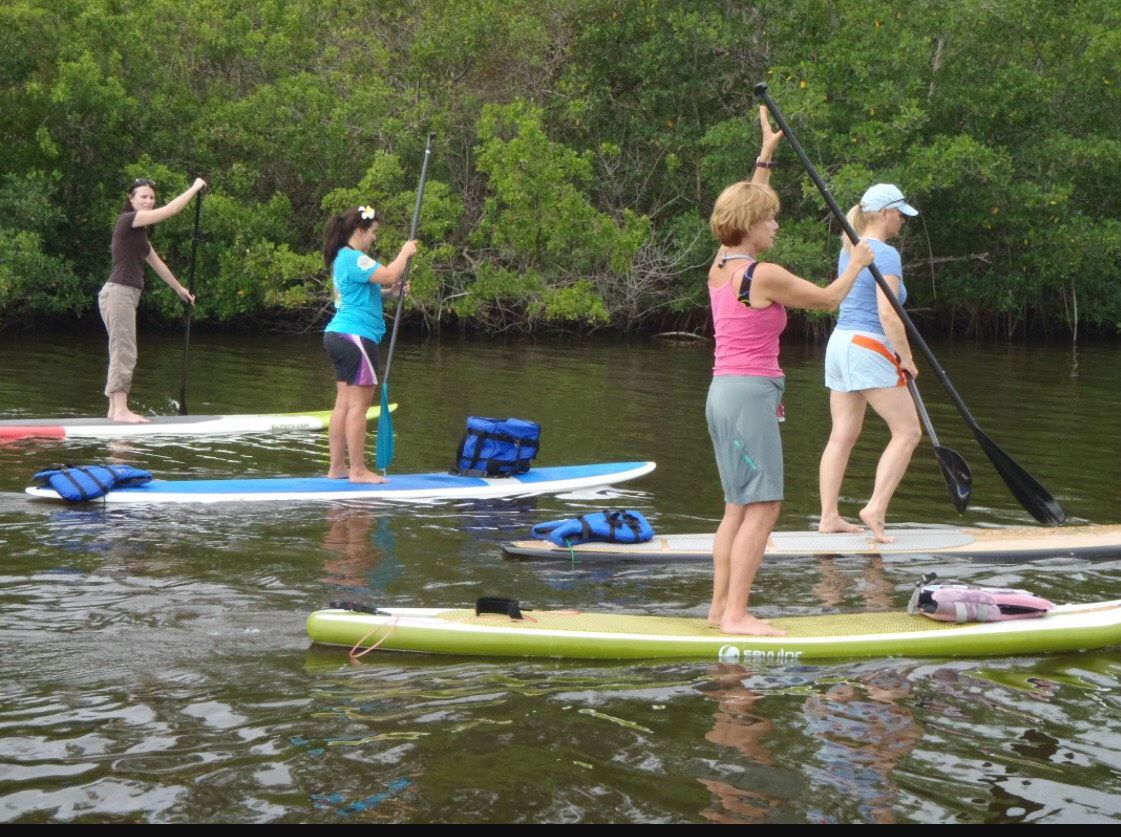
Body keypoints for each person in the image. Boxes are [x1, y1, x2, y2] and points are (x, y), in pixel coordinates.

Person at [705, 107, 875, 637]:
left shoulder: (720, 264)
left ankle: (718, 611)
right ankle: (736, 615)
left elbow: (743, 205)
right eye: (771, 218)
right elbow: (826, 301)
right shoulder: (765, 274)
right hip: (750, 396)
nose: (776, 224)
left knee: (737, 507)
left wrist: (766, 155)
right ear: (752, 226)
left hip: (722, 394)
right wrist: (857, 263)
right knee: (765, 506)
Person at [817, 184, 923, 543]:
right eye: (899, 214)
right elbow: (888, 313)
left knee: (842, 435)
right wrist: (906, 358)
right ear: (884, 213)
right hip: (869, 345)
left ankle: (828, 516)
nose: (901, 222)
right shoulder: (886, 255)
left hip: (840, 344)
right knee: (908, 432)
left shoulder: (850, 249)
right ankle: (875, 508)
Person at [322, 205, 418, 483]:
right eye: (374, 232)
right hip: (356, 338)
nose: (375, 237)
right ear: (360, 231)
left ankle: (337, 468)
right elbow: (389, 273)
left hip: (339, 336)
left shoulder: (343, 259)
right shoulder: (354, 258)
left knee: (343, 405)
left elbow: (366, 294)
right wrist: (405, 253)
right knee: (358, 408)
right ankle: (358, 471)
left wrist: (391, 294)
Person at [99, 176, 206, 422]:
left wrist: (180, 289)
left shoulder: (139, 235)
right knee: (124, 351)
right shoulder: (129, 220)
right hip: (119, 293)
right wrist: (194, 188)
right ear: (131, 199)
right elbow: (171, 210)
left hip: (123, 294)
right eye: (143, 197)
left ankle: (115, 410)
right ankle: (121, 409)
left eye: (151, 197)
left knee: (122, 349)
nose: (148, 201)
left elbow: (157, 264)